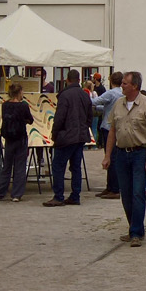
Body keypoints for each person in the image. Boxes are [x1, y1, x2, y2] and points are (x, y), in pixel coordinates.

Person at [104, 72, 146, 246]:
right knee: (126, 194)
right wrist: (107, 155)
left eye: (125, 83)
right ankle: (134, 228)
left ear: (135, 86)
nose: (122, 85)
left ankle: (136, 233)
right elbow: (112, 130)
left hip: (139, 153)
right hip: (121, 153)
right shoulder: (118, 104)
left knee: (137, 192)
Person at [45, 74, 94, 208]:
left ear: (67, 80)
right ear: (79, 80)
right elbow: (90, 115)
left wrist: (55, 134)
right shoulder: (84, 95)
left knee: (58, 165)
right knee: (76, 167)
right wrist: (85, 127)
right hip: (80, 135)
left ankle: (58, 196)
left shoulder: (65, 96)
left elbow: (59, 117)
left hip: (66, 135)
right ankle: (75, 195)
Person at [0, 83, 31, 203]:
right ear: (19, 93)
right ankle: (16, 194)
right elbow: (30, 120)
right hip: (21, 137)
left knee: (7, 166)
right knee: (19, 167)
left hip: (9, 137)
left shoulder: (5, 105)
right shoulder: (23, 105)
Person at [94, 72, 124, 198]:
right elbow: (108, 107)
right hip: (116, 126)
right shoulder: (121, 94)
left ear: (111, 81)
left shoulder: (111, 93)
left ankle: (114, 188)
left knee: (110, 157)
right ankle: (110, 186)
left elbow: (95, 101)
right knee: (112, 156)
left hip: (108, 126)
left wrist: (85, 96)